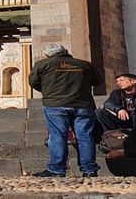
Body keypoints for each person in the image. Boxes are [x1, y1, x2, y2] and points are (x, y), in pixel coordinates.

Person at [28, 43, 102, 178]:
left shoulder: (43, 64)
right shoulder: (84, 64)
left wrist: (49, 90)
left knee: (57, 135)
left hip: (55, 104)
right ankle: (89, 169)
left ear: (47, 54)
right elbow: (97, 81)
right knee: (85, 136)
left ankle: (57, 169)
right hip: (83, 104)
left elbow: (33, 82)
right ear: (65, 51)